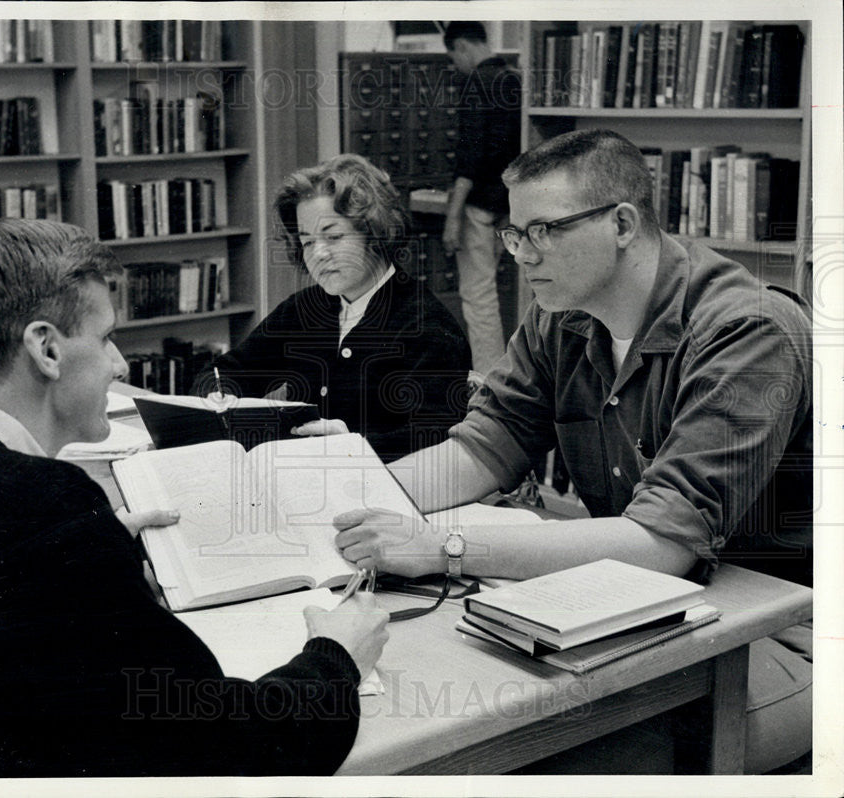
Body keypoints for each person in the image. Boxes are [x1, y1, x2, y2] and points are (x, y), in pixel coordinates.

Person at [333, 130, 813, 774]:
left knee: (521, 758)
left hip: (778, 629)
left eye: (544, 231)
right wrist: (348, 492)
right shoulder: (561, 313)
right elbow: (483, 448)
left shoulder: (745, 331)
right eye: (515, 234)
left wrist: (437, 546)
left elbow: (662, 545)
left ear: (622, 223)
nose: (522, 257)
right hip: (642, 605)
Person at [0, 218, 389, 777]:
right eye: (107, 337)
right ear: (46, 348)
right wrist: (336, 658)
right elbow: (233, 749)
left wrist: (93, 555)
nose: (120, 365)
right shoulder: (52, 511)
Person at [203, 153, 472, 463]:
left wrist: (354, 447)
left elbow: (436, 441)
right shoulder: (305, 310)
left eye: (333, 236)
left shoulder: (429, 327)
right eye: (306, 241)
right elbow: (227, 372)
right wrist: (217, 394)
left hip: (390, 492)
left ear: (375, 233)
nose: (318, 253)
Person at [442, 21, 522, 373]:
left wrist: (452, 215)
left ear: (461, 46)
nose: (455, 66)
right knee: (503, 290)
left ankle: (489, 379)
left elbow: (469, 156)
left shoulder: (477, 83)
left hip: (477, 205)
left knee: (478, 297)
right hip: (507, 204)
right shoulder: (512, 79)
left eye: (453, 58)